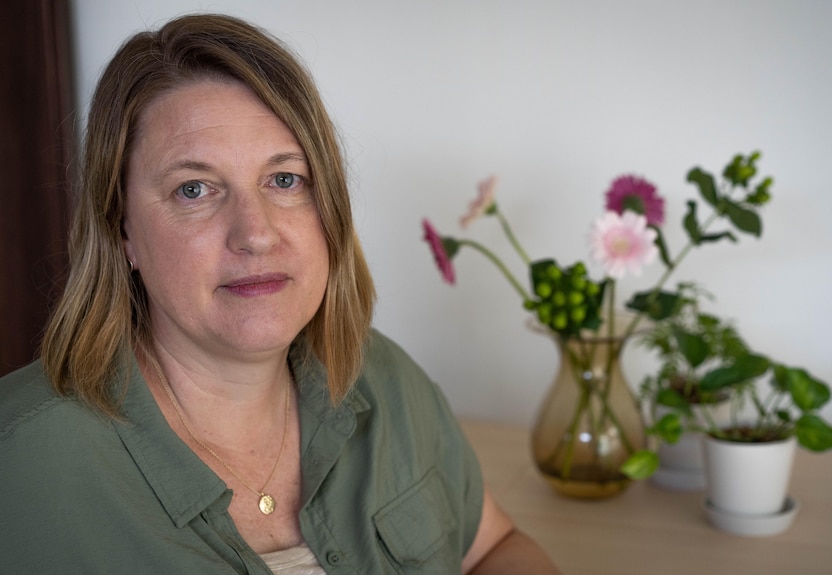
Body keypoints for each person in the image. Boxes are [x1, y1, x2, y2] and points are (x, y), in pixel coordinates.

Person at [0, 13, 560, 574]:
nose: (256, 233)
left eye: (284, 180)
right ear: (122, 230)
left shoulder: (382, 378)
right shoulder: (21, 462)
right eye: (193, 189)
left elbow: (494, 548)